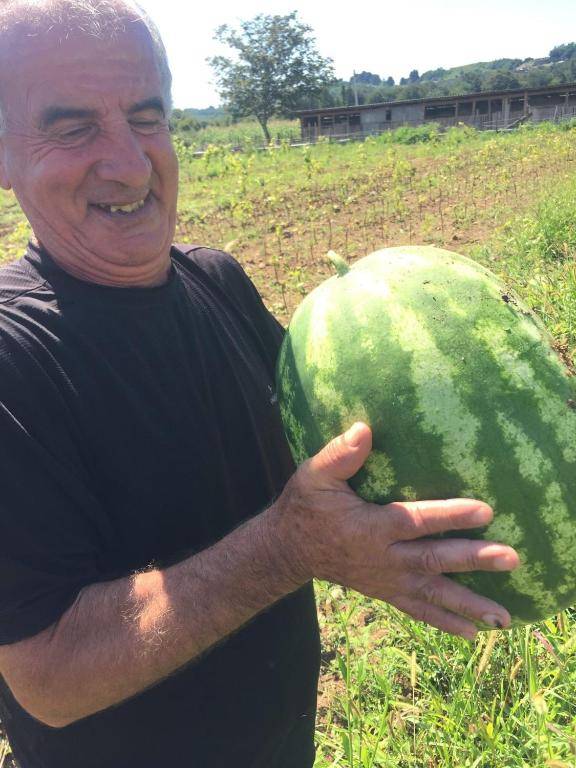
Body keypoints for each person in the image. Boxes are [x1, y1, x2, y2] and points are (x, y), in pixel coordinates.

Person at [0, 1, 519, 766]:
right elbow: (48, 677)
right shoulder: (15, 359)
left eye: (147, 117)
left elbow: (340, 467)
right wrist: (286, 549)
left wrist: (497, 380)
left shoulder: (217, 280)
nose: (131, 163)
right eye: (74, 127)